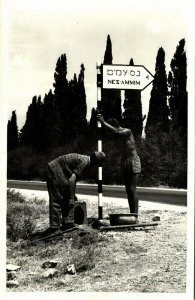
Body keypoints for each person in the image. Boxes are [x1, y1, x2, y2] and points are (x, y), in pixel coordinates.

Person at [46, 151, 106, 234]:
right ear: (95, 162)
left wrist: (71, 195)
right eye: (98, 164)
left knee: (67, 195)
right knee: (58, 198)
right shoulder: (85, 163)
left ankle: (67, 222)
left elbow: (72, 179)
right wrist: (71, 197)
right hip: (55, 169)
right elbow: (72, 179)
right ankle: (54, 227)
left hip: (62, 171)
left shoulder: (86, 161)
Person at [97, 113, 141, 216]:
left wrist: (103, 122)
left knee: (132, 189)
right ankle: (132, 214)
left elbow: (116, 132)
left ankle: (135, 215)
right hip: (124, 161)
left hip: (133, 160)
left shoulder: (127, 131)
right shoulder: (116, 136)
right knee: (128, 190)